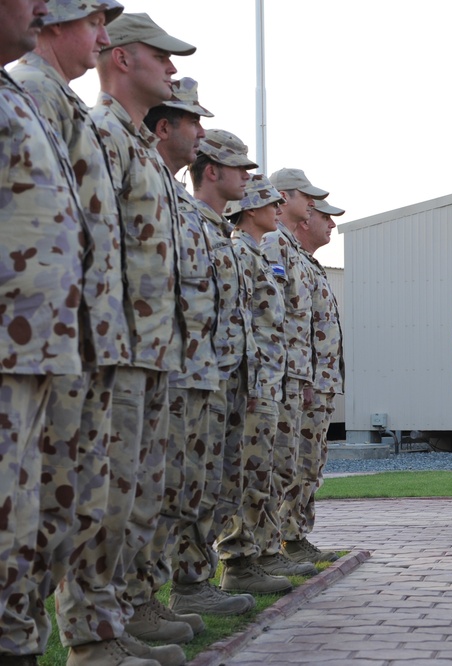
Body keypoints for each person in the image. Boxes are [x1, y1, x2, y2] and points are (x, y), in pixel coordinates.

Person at [92, 10, 203, 652]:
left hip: (153, 350)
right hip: (119, 348)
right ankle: (99, 637)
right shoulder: (103, 134)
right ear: (124, 57)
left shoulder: (140, 149)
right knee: (108, 500)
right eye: (161, 56)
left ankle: (130, 617)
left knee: (140, 498)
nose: (172, 68)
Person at [0, 0, 87, 663]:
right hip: (16, 347)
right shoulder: (30, 91)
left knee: (31, 520)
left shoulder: (19, 96)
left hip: (42, 348)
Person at [183, 128, 263, 608]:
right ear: (212, 171)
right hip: (198, 379)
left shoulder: (220, 234)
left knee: (218, 485)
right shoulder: (190, 223)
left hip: (228, 379)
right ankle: (188, 587)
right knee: (193, 485)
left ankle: (198, 582)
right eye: (240, 167)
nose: (248, 176)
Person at [218, 174, 296, 595]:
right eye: (271, 204)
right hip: (252, 383)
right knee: (245, 475)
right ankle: (238, 562)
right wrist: (248, 385)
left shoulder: (258, 256)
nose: (278, 209)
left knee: (260, 473)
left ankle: (255, 556)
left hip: (267, 380)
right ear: (250, 210)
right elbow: (242, 321)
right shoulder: (239, 254)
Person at [259, 167, 331, 578]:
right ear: (285, 198)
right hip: (284, 376)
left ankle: (289, 539)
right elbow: (275, 315)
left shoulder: (295, 253)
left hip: (304, 377)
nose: (313, 206)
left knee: (300, 465)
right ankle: (269, 548)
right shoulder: (274, 245)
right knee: (277, 466)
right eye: (307, 198)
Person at [287, 198, 346, 564]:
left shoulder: (310, 264)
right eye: (326, 217)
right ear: (306, 218)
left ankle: (296, 536)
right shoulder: (287, 256)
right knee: (295, 464)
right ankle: (285, 539)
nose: (332, 226)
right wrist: (305, 380)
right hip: (304, 384)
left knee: (310, 465)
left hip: (319, 385)